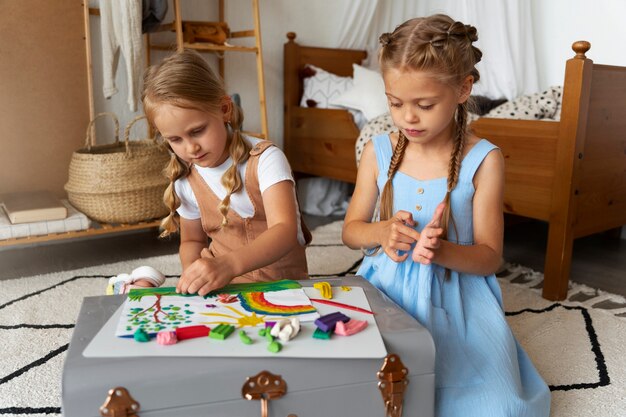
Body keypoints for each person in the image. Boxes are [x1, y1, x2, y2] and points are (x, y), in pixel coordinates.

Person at [342, 14, 550, 417]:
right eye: (395, 103)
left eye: (424, 104)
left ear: (463, 89)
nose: (407, 118)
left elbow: (490, 255)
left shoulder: (483, 160)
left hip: (460, 301)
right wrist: (381, 232)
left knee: (503, 408)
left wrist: (441, 251)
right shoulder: (377, 151)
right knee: (361, 391)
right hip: (386, 294)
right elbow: (352, 231)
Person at [142, 49, 310, 297]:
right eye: (175, 140)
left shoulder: (266, 159)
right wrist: (196, 276)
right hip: (223, 291)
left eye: (197, 131)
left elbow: (284, 231)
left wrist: (229, 265)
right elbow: (192, 242)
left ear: (224, 109)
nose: (191, 148)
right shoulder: (186, 178)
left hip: (279, 286)